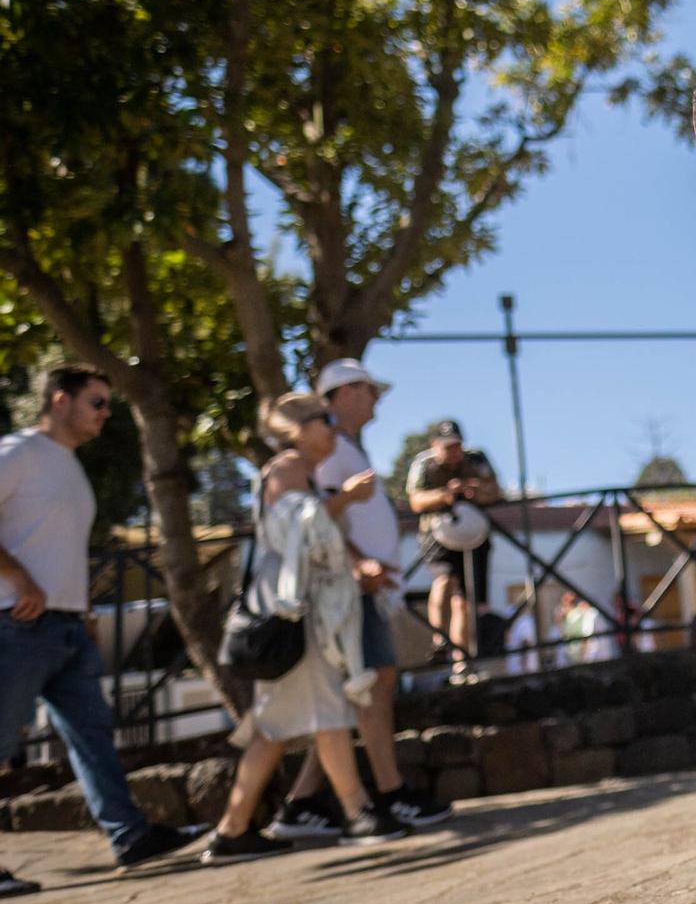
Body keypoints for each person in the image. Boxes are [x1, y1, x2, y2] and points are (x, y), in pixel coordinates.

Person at [0, 364, 201, 893]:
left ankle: (130, 835)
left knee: (94, 737)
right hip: (15, 623)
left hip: (66, 627)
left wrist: (84, 611)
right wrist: (18, 579)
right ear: (60, 400)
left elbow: (65, 549)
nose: (106, 415)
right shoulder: (18, 453)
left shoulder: (68, 466)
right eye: (98, 403)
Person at [200, 392, 409, 864]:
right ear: (299, 428)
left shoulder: (297, 471)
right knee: (326, 708)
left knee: (273, 726)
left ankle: (232, 830)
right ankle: (357, 812)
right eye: (326, 420)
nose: (333, 428)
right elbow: (293, 529)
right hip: (294, 610)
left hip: (289, 608)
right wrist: (348, 499)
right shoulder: (289, 468)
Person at [270, 360, 452, 841]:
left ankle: (302, 803)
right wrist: (357, 565)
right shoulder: (329, 451)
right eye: (368, 389)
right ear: (343, 393)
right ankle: (387, 793)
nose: (375, 398)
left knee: (353, 696)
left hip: (365, 588)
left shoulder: (343, 447)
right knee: (373, 684)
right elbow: (318, 516)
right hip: (354, 588)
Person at [406, 418, 500, 679]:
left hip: (472, 533)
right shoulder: (424, 465)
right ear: (435, 445)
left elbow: (495, 491)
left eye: (457, 445)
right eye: (447, 446)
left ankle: (463, 661)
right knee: (445, 580)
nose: (453, 451)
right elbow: (416, 501)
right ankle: (440, 639)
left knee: (465, 601)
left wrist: (476, 491)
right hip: (438, 535)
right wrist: (445, 494)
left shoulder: (477, 459)